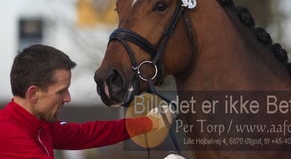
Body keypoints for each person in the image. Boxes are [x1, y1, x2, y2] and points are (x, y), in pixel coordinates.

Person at [0, 44, 170, 159]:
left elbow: (88, 133)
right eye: (61, 91)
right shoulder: (8, 136)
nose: (68, 98)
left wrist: (148, 123)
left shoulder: (38, 125)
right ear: (33, 94)